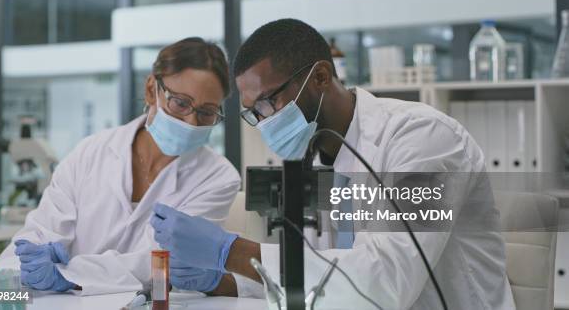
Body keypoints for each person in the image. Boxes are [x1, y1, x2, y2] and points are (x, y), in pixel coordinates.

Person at [149, 19, 516, 309]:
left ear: (321, 77)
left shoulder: (426, 140)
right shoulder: (311, 154)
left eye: (269, 103)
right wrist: (225, 279)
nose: (265, 123)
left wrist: (234, 252)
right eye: (254, 113)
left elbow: (386, 281)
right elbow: (318, 269)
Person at [0, 37, 241, 295]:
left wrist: (67, 275)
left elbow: (157, 262)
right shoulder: (90, 152)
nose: (191, 122)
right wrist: (26, 264)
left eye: (206, 112)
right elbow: (41, 232)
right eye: (180, 103)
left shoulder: (218, 177)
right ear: (151, 90)